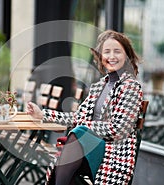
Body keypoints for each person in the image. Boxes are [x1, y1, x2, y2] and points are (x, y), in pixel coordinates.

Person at [26, 30, 143, 185]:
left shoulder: (131, 87)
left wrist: (85, 128)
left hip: (112, 154)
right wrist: (43, 115)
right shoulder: (98, 86)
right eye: (106, 52)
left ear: (126, 56)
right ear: (101, 57)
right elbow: (77, 118)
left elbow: (118, 129)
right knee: (73, 146)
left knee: (77, 135)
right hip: (86, 151)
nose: (112, 56)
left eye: (117, 52)